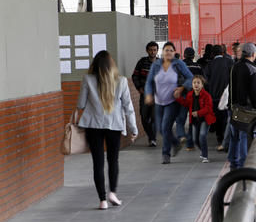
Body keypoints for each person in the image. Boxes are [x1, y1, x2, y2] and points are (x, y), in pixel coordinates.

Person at [76, 50, 138, 210]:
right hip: (114, 125)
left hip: (93, 126)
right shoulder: (122, 81)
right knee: (113, 160)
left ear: (94, 65)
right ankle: (113, 193)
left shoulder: (87, 79)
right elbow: (128, 107)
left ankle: (102, 200)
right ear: (112, 65)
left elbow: (81, 104)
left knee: (97, 163)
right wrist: (134, 128)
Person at [144, 42, 194, 164]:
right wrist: (149, 94)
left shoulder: (178, 64)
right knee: (160, 129)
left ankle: (165, 154)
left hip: (172, 101)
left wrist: (182, 88)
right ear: (163, 52)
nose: (168, 52)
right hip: (158, 102)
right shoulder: (156, 65)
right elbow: (149, 82)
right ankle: (176, 143)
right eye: (166, 50)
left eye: (171, 50)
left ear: (174, 52)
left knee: (166, 126)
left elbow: (190, 77)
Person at [228, 42, 256, 169]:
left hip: (233, 107)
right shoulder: (253, 70)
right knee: (244, 137)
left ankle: (233, 163)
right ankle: (243, 165)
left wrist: (231, 106)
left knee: (234, 137)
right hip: (247, 110)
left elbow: (231, 87)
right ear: (253, 54)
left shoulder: (235, 66)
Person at [176, 75, 216, 163]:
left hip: (205, 119)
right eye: (194, 83)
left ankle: (205, 156)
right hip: (195, 120)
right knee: (195, 139)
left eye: (198, 83)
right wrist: (178, 98)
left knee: (202, 135)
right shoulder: (190, 94)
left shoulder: (206, 95)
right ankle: (202, 150)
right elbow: (186, 103)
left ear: (202, 85)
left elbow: (209, 108)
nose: (196, 84)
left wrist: (198, 113)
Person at [204, 45, 232, 151]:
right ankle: (226, 141)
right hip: (227, 96)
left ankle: (220, 140)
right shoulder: (229, 62)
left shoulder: (209, 65)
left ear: (212, 54)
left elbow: (206, 82)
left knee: (218, 119)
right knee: (226, 119)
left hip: (214, 97)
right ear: (223, 52)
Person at [176, 47, 203, 150]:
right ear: (193, 56)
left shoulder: (179, 65)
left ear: (184, 55)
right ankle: (190, 144)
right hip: (195, 96)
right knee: (192, 120)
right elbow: (202, 80)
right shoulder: (198, 67)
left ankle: (181, 136)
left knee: (180, 119)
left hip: (183, 94)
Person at [132, 41, 158, 146]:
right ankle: (151, 136)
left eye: (155, 50)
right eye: (151, 50)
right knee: (144, 116)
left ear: (157, 51)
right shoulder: (142, 62)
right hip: (145, 94)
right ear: (147, 50)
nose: (153, 52)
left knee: (155, 117)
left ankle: (153, 139)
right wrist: (139, 88)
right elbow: (135, 76)